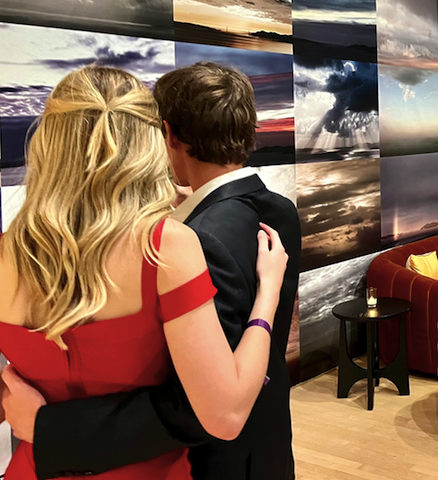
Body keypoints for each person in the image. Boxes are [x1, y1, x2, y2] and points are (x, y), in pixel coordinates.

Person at [3, 63, 302, 480]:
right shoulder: (274, 211)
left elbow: (195, 406)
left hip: (52, 462)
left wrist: (47, 426)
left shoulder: (187, 238)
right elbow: (211, 403)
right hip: (222, 454)